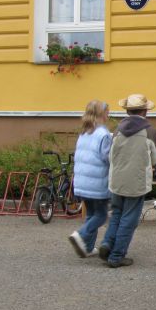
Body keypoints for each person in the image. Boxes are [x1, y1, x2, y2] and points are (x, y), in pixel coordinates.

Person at [99, 94, 156, 268]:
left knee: (117, 214)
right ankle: (117, 256)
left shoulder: (117, 130)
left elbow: (110, 156)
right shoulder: (150, 131)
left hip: (116, 180)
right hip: (137, 182)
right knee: (129, 219)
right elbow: (154, 159)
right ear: (145, 111)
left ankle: (107, 243)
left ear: (127, 111)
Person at [68, 100, 112, 258]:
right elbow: (107, 158)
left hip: (82, 182)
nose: (108, 116)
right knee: (101, 215)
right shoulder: (103, 134)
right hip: (97, 183)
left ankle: (87, 247)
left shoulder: (84, 133)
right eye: (107, 113)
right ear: (102, 114)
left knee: (91, 214)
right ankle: (80, 235)